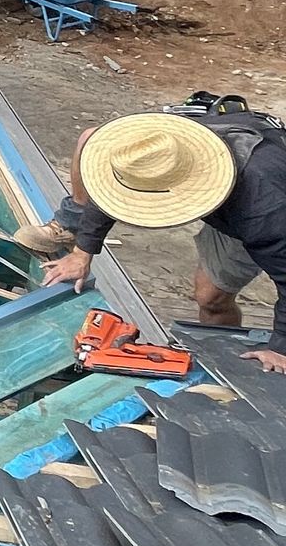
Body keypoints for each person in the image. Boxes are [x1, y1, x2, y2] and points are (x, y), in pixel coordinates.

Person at [16, 104, 286, 374]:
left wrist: (279, 349)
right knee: (211, 298)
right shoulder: (166, 146)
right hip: (239, 188)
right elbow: (114, 187)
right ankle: (227, 363)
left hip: (262, 202)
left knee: (223, 301)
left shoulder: (264, 213)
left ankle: (239, 372)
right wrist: (82, 252)